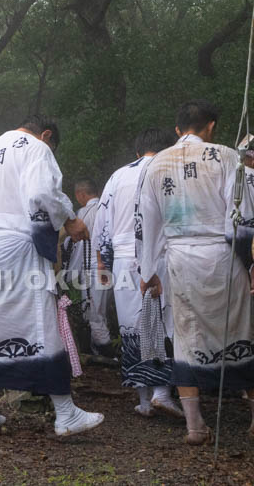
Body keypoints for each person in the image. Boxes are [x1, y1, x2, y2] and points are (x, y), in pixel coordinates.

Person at [0, 115, 104, 436]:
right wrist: (69, 220)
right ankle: (65, 414)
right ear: (46, 135)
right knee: (42, 327)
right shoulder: (37, 148)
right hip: (17, 248)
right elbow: (41, 193)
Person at [138, 99, 254, 444]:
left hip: (180, 258)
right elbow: (242, 218)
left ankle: (195, 425)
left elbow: (147, 222)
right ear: (212, 126)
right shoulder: (227, 157)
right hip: (223, 256)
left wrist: (148, 269)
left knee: (187, 338)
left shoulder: (157, 163)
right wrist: (250, 263)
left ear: (178, 128)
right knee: (240, 335)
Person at [94, 127, 182, 418]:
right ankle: (162, 393)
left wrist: (103, 262)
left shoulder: (118, 176)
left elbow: (102, 223)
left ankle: (145, 400)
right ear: (170, 147)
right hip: (161, 255)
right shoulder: (170, 170)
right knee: (163, 321)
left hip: (122, 259)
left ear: (137, 151)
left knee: (132, 325)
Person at [64, 178, 113, 355]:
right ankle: (100, 349)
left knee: (93, 313)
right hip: (112, 266)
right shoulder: (108, 207)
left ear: (81, 194)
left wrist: (67, 275)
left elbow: (76, 246)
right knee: (101, 311)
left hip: (93, 267)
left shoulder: (84, 213)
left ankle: (104, 353)